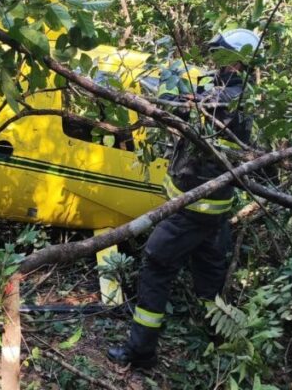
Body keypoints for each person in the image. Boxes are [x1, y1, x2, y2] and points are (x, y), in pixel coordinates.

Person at [107, 29, 258, 369]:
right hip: (215, 214)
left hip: (192, 210)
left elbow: (190, 114)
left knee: (156, 266)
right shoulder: (238, 96)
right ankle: (225, 352)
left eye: (219, 55)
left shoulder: (224, 102)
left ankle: (141, 352)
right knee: (209, 282)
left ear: (237, 60)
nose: (212, 61)